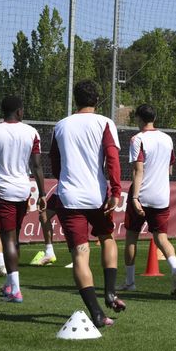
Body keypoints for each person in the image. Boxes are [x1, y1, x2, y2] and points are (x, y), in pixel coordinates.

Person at [48, 80, 124, 328]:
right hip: (97, 196)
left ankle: (97, 314)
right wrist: (115, 189)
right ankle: (110, 292)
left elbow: (55, 163)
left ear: (75, 99)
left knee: (80, 255)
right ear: (98, 100)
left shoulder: (61, 126)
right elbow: (112, 158)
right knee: (107, 238)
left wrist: (65, 182)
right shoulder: (104, 122)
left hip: (69, 197)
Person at [0, 95, 46, 302]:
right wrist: (43, 193)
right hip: (24, 189)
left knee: (8, 237)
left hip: (3, 189)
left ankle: (15, 289)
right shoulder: (31, 132)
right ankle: (9, 284)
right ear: (19, 112)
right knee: (14, 238)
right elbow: (36, 165)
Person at [119, 104, 176, 296]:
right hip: (162, 196)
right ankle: (175, 270)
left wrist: (135, 197)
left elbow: (138, 170)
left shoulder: (137, 139)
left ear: (139, 118)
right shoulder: (167, 138)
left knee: (131, 236)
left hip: (143, 194)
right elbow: (170, 168)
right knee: (161, 238)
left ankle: (130, 282)